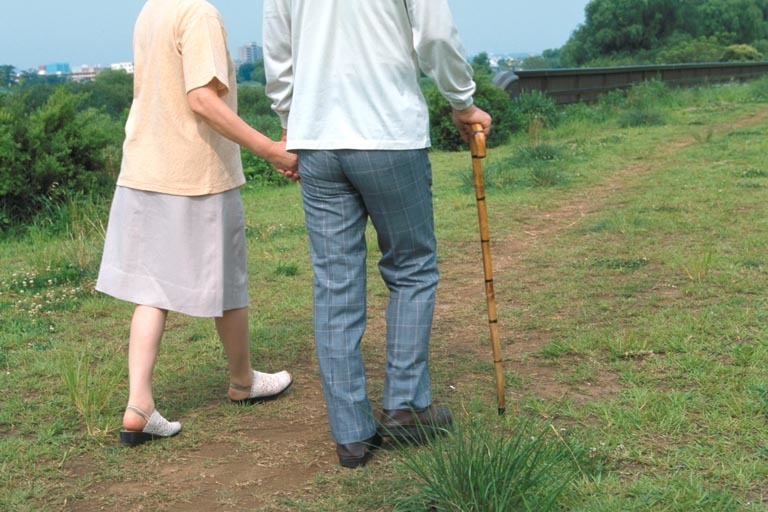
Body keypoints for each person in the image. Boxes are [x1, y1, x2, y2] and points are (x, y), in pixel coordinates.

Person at [263, 0, 493, 467]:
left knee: (335, 283)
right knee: (411, 269)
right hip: (388, 132)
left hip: (318, 138)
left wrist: (290, 121)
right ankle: (405, 406)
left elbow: (278, 51)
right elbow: (434, 35)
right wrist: (461, 100)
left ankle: (351, 435)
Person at [96, 0, 296, 446]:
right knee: (227, 278)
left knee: (151, 288)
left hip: (144, 167)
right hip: (195, 172)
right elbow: (202, 100)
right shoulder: (199, 13)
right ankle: (242, 381)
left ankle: (139, 405)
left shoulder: (153, 10)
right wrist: (269, 149)